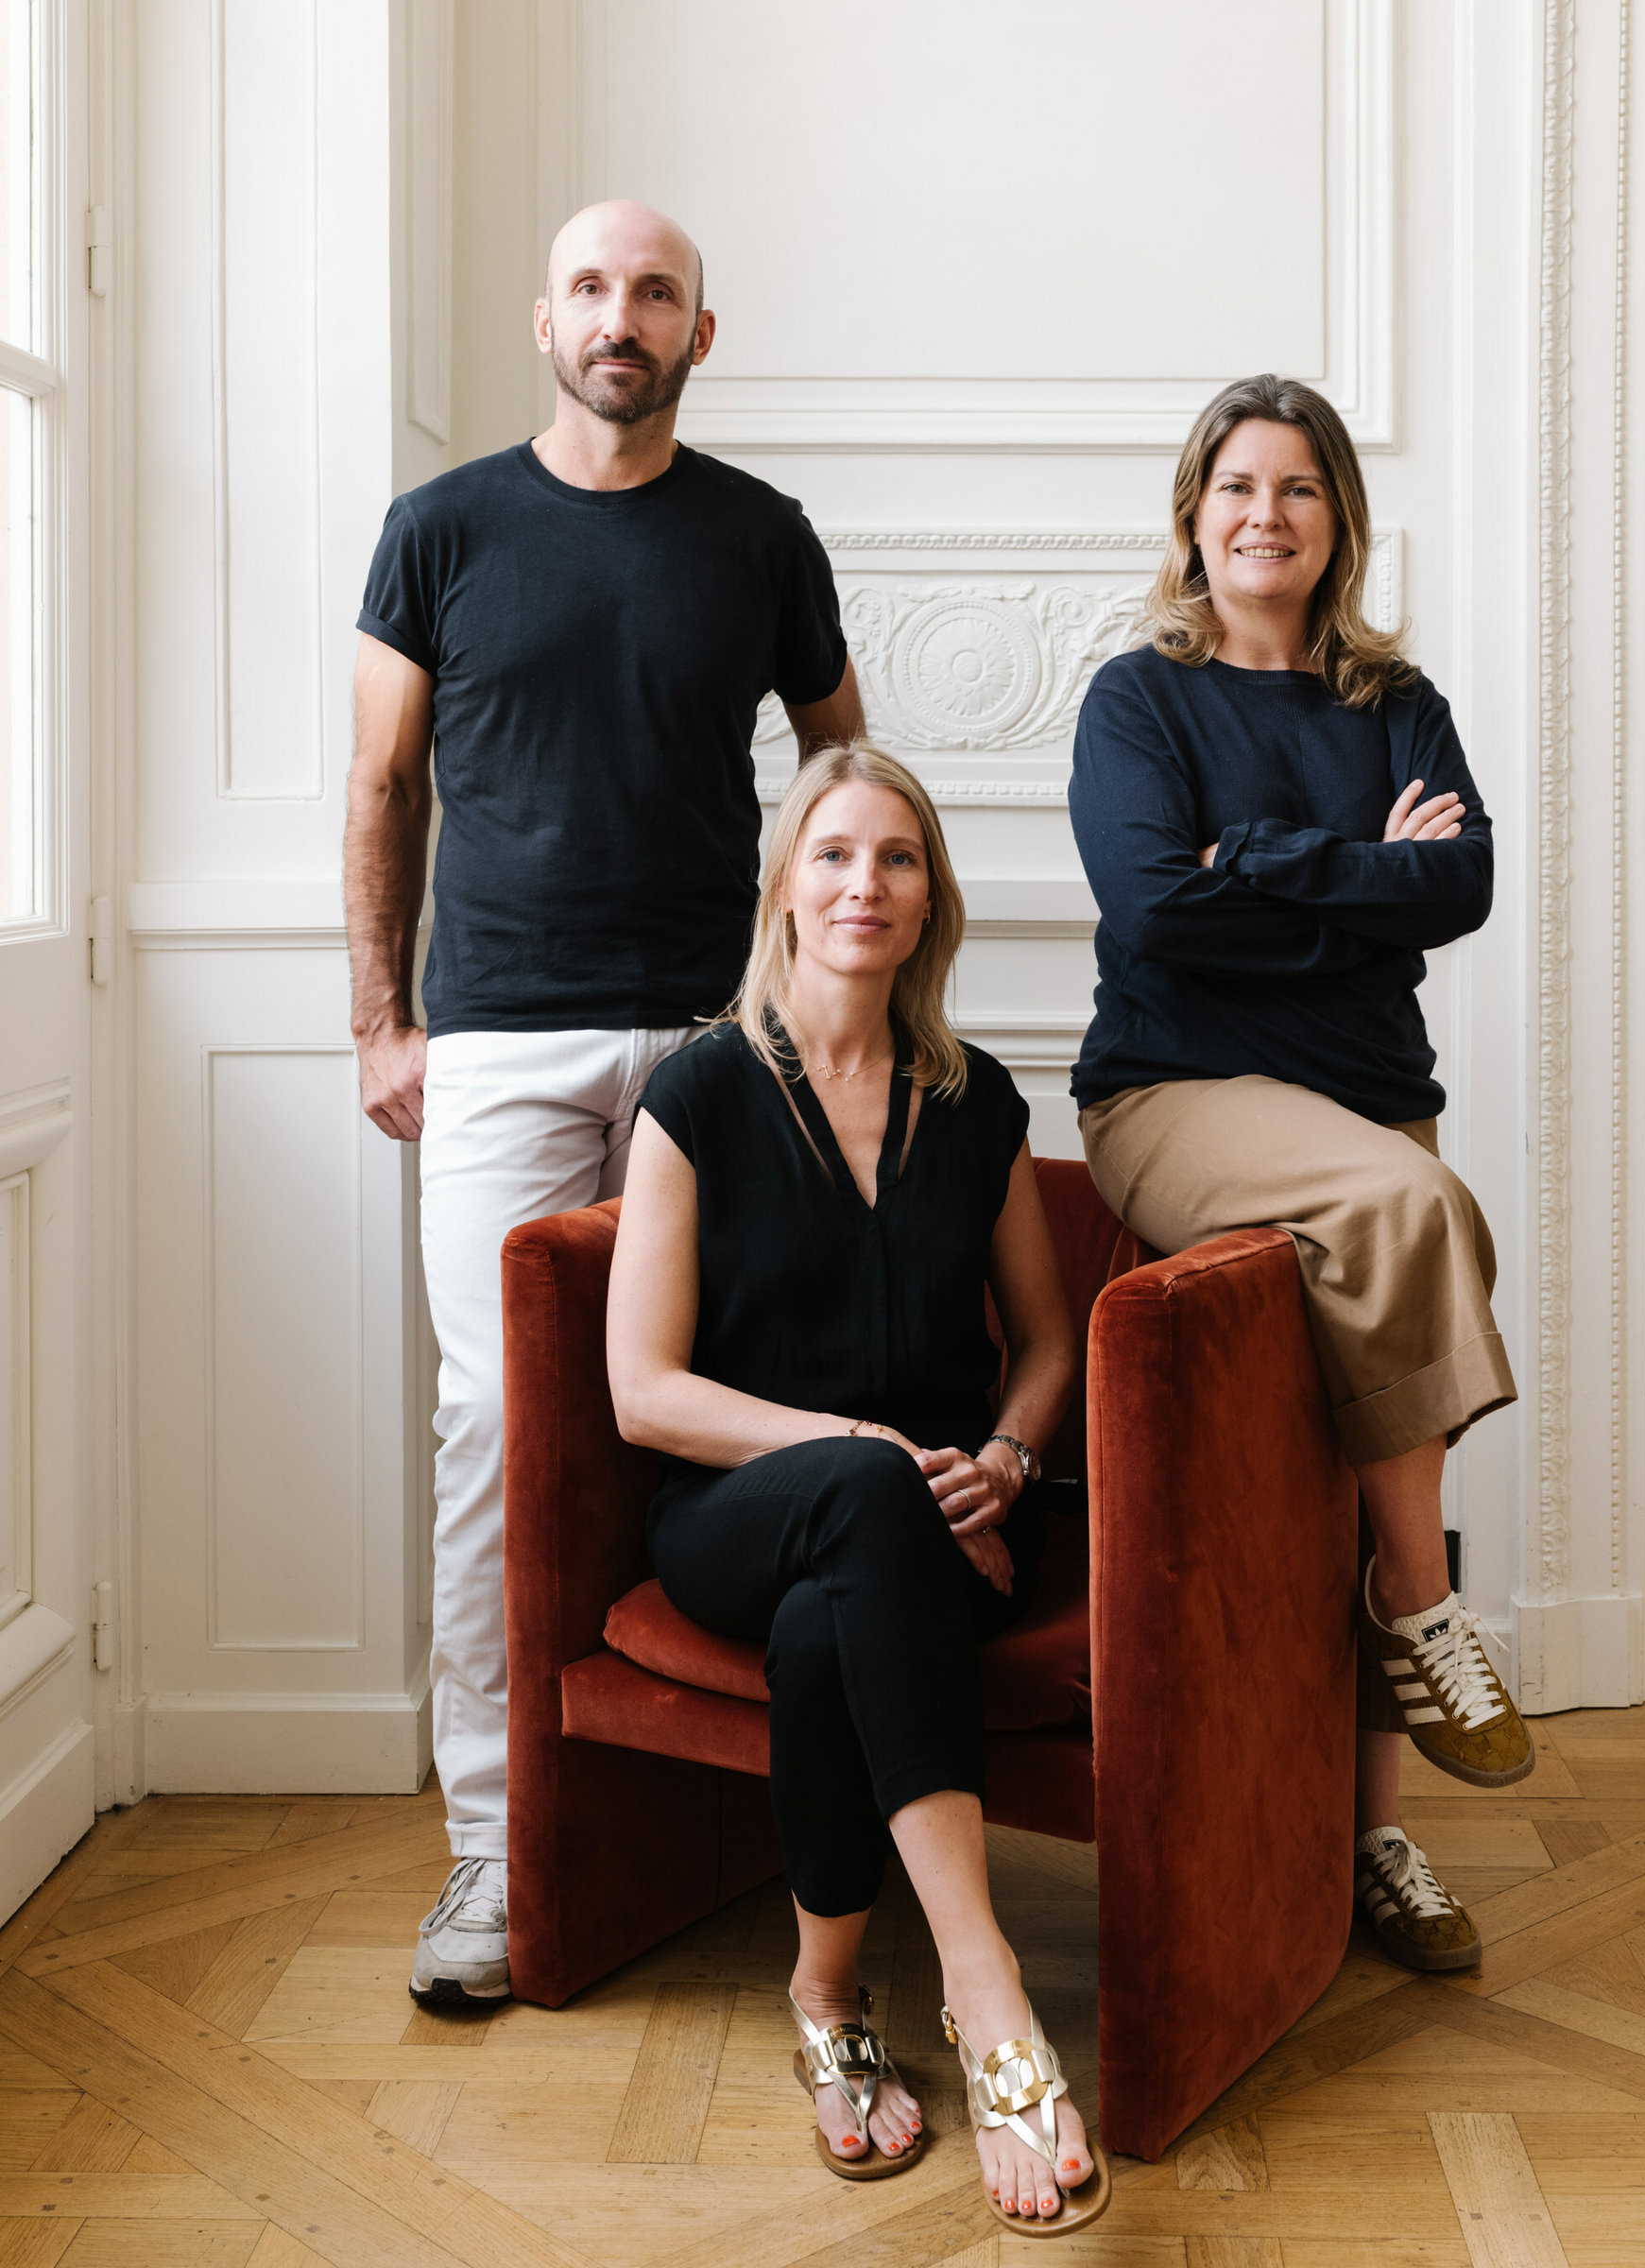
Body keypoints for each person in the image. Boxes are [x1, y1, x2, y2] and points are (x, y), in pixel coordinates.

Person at [344, 200, 865, 2008]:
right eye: (589, 287)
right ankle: (497, 1848)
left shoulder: (760, 535)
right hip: (496, 1044)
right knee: (498, 1426)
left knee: (731, 1402)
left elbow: (843, 769)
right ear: (544, 320)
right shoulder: (441, 528)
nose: (619, 317)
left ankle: (723, 1801)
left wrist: (806, 1004)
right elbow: (383, 783)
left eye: (655, 293)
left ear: (699, 335)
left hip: (717, 1050)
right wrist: (381, 1022)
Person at [606, 744, 1111, 2234]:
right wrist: (859, 1447)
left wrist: (1008, 1462)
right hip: (733, 1519)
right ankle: (984, 1982)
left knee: (832, 1622)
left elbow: (1047, 1340)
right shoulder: (697, 1093)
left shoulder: (975, 1101)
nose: (863, 884)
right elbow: (644, 1391)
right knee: (860, 1505)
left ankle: (827, 1997)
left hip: (945, 1530)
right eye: (832, 853)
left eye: (897, 859)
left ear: (929, 901)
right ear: (782, 887)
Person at [1068, 373, 1532, 1977]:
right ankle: (1425, 1603)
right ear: (1194, 515)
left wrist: (1258, 861)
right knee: (1421, 1210)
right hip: (1175, 1094)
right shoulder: (1139, 701)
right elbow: (1153, 913)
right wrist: (1362, 883)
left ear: (1340, 521)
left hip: (1366, 1104)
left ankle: (1373, 1842)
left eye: (1300, 488)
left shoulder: (1395, 703)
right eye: (1238, 486)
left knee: (1361, 1432)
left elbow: (1461, 884)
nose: (1266, 515)